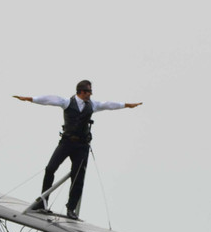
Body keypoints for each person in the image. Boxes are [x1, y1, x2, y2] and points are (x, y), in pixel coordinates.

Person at [13, 80, 142, 219]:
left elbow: (108, 104)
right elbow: (50, 99)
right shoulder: (67, 102)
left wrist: (126, 105)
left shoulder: (92, 105)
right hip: (67, 142)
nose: (90, 95)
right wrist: (31, 99)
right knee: (50, 168)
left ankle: (71, 208)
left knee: (78, 177)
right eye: (88, 92)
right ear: (81, 92)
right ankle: (42, 202)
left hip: (82, 146)